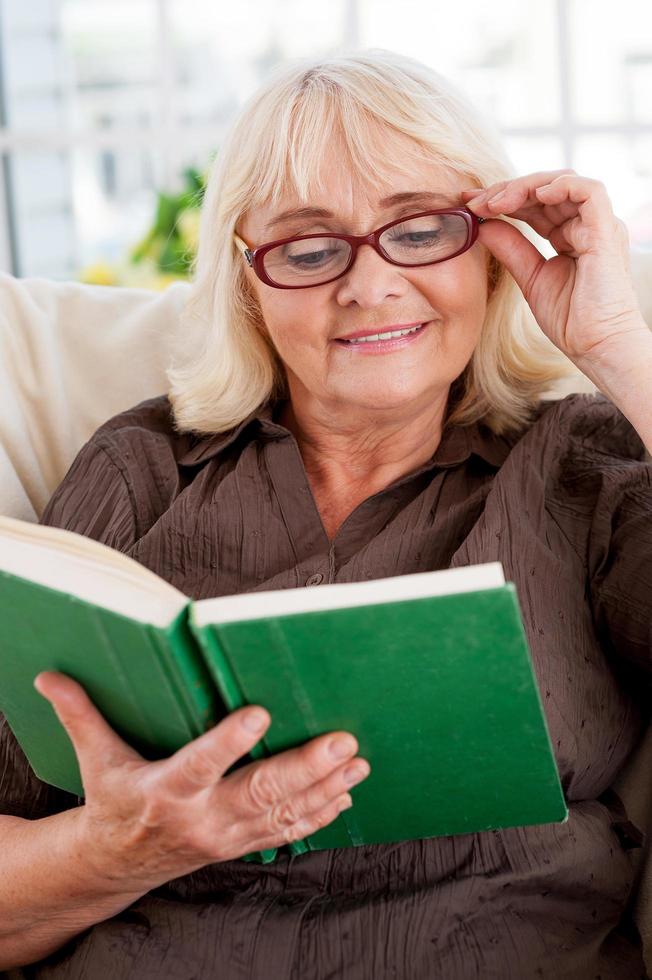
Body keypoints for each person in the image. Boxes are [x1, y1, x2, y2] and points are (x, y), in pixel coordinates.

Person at [1, 48, 651, 979]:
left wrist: (621, 349)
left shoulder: (582, 463)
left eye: (422, 231)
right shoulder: (141, 465)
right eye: (308, 250)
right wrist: (126, 849)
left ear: (495, 251)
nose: (368, 284)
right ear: (250, 286)